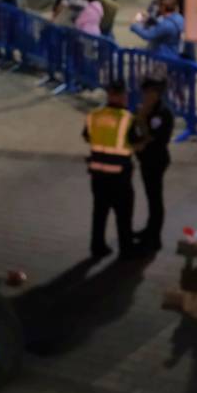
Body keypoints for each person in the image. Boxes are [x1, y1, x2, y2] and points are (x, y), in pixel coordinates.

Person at [82, 80, 141, 259]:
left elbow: (87, 137)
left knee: (99, 211)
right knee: (123, 212)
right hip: (119, 174)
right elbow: (135, 142)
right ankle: (126, 248)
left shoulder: (94, 115)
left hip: (97, 173)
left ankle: (97, 246)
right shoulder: (127, 118)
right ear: (122, 96)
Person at [133, 76, 173, 254]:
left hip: (156, 160)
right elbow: (135, 133)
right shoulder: (143, 111)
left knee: (155, 199)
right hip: (145, 159)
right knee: (151, 197)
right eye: (145, 92)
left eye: (149, 92)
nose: (146, 96)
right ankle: (149, 230)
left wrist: (143, 122)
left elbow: (159, 139)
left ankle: (154, 238)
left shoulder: (162, 113)